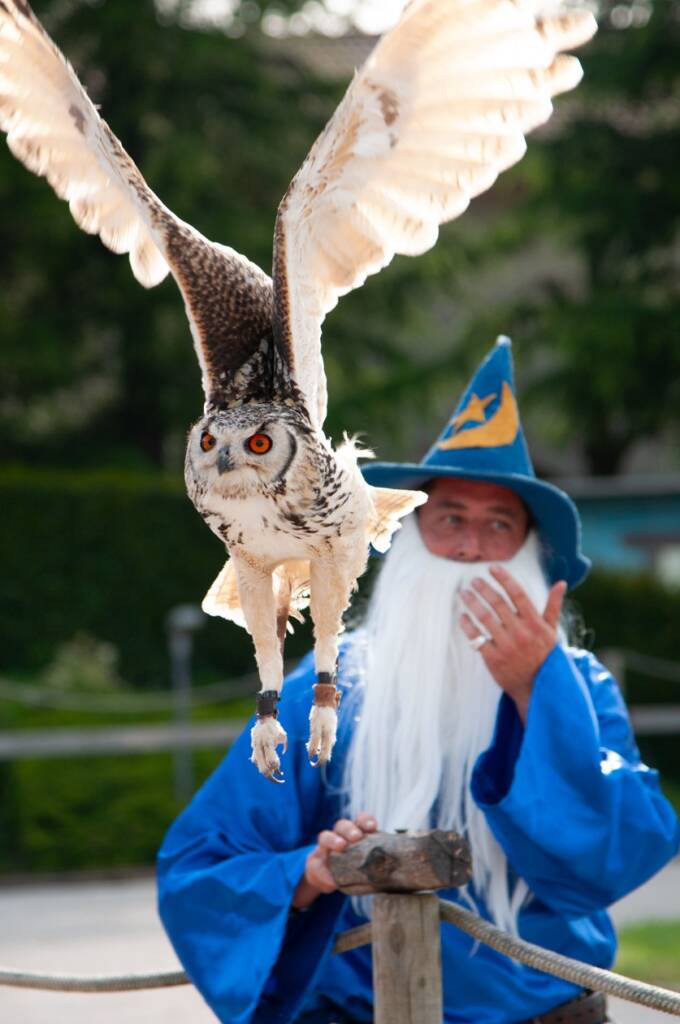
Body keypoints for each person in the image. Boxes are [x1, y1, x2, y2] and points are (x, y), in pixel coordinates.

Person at [157, 337, 679, 1024]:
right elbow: (202, 863)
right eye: (450, 519)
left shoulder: (578, 686)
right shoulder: (329, 689)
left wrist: (536, 692)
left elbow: (614, 857)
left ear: (529, 551)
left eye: (499, 524)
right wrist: (308, 873)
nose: (470, 548)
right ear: (408, 532)